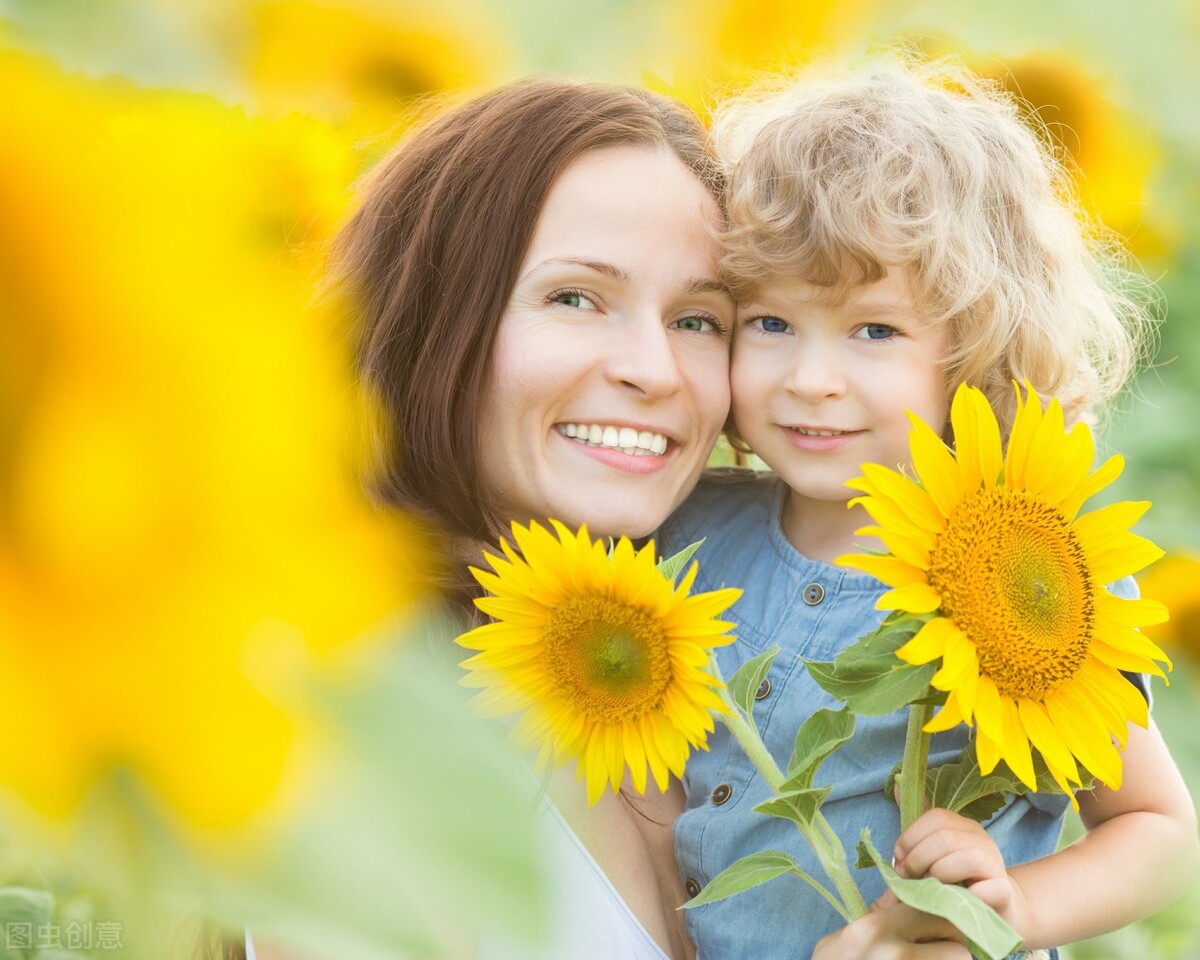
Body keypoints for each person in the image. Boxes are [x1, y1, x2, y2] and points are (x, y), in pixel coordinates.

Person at [659, 57, 1199, 960]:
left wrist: (1004, 905)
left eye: (875, 330)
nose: (812, 380)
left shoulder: (1031, 586)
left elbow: (1159, 832)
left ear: (975, 350)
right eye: (771, 324)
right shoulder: (687, 529)